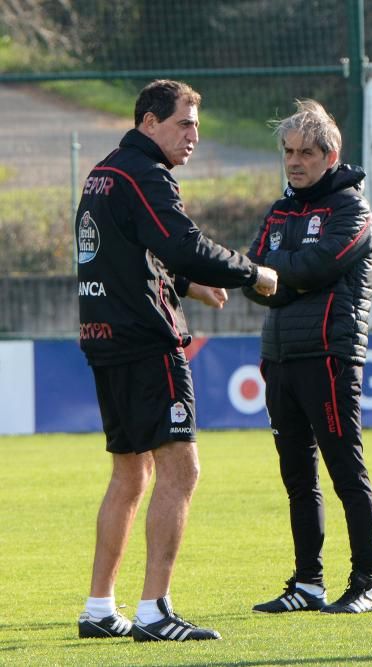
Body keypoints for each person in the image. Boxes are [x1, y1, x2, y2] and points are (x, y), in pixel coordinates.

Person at [75, 79, 279, 642]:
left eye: (196, 124)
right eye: (184, 123)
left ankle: (99, 607)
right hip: (146, 341)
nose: (194, 135)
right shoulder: (145, 174)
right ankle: (155, 611)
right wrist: (251, 273)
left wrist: (187, 284)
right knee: (181, 469)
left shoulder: (104, 172)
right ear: (148, 123)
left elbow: (131, 249)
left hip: (104, 335)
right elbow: (181, 242)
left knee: (131, 471)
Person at [243, 99, 372, 616]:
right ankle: (308, 583)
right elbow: (252, 275)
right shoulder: (280, 211)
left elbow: (313, 268)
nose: (294, 161)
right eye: (288, 152)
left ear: (331, 155)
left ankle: (365, 582)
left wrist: (277, 277)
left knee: (346, 470)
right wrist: (282, 276)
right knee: (297, 477)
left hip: (329, 356)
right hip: (279, 357)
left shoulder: (352, 210)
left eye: (305, 152)